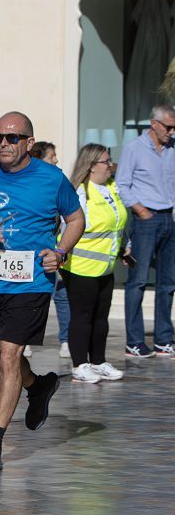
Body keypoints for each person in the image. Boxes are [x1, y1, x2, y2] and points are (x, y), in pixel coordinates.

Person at [0, 111, 84, 471]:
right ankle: (38, 386)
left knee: (9, 357)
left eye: (12, 138)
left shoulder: (51, 178)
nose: (4, 144)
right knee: (0, 361)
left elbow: (76, 220)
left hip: (32, 282)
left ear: (29, 142)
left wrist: (59, 252)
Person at [61, 144, 127, 383]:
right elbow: (70, 227)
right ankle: (80, 364)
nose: (110, 165)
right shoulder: (79, 192)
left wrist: (122, 249)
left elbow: (116, 224)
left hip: (105, 266)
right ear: (91, 166)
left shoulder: (111, 187)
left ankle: (98, 362)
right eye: (106, 161)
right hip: (81, 265)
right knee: (82, 317)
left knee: (101, 317)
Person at [116, 103, 175, 358]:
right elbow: (122, 184)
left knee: (168, 283)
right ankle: (135, 341)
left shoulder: (173, 149)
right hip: (145, 220)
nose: (172, 132)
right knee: (138, 281)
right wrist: (140, 210)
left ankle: (163, 339)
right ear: (154, 124)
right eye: (168, 127)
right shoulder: (134, 149)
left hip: (169, 219)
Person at [31, 140, 70, 358]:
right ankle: (24, 340)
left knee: (62, 293)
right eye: (51, 156)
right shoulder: (33, 183)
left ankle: (66, 340)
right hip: (36, 249)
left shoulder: (59, 180)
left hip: (58, 246)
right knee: (31, 296)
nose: (56, 160)